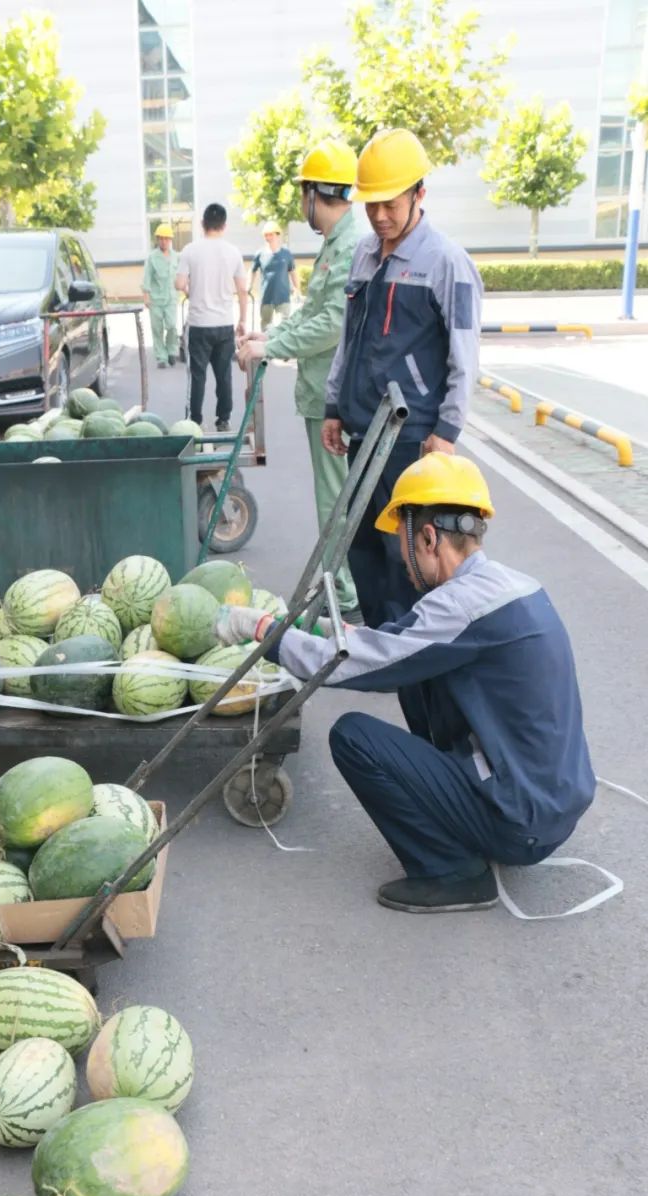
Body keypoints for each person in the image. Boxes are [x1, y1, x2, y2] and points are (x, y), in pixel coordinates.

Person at [215, 453, 595, 914]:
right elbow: (395, 645)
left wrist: (262, 633)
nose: (402, 559)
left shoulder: (460, 606)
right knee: (416, 676)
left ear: (429, 537)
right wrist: (313, 630)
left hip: (522, 819)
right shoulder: (510, 586)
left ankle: (453, 873)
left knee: (355, 736)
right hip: (548, 800)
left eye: (403, 544)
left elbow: (349, 664)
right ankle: (460, 814)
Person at [320, 129, 482, 642]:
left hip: (411, 437)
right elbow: (349, 341)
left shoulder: (445, 261)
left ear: (418, 194)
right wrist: (333, 404)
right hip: (363, 430)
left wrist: (447, 430)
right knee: (361, 540)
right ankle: (382, 637)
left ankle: (416, 642)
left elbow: (465, 354)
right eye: (372, 206)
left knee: (407, 547)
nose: (380, 217)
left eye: (390, 205)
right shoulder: (364, 255)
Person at [237, 138, 363, 624]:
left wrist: (272, 348)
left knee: (335, 501)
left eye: (302, 193)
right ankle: (342, 584)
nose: (301, 204)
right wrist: (268, 334)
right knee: (334, 498)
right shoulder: (336, 243)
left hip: (333, 399)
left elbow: (333, 324)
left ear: (314, 193)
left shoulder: (349, 245)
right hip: (321, 394)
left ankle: (343, 594)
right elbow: (311, 313)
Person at [175, 203, 248, 431]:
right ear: (224, 225)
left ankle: (195, 420)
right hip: (224, 323)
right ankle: (223, 419)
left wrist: (190, 290)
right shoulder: (233, 252)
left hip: (199, 324)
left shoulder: (190, 250)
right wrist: (243, 320)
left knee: (197, 375)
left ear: (202, 224)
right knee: (224, 374)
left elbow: (179, 283)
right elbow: (243, 290)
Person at [142, 222, 180, 369]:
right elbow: (147, 277)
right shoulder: (152, 258)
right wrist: (146, 296)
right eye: (161, 238)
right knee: (157, 328)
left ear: (170, 240)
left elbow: (182, 275)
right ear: (157, 240)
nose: (164, 241)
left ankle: (171, 351)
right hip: (156, 300)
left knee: (171, 326)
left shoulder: (176, 256)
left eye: (166, 238)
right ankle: (161, 357)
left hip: (171, 298)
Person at [249, 223, 298, 330]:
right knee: (266, 326)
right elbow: (252, 271)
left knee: (284, 325)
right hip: (266, 296)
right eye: (266, 235)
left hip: (283, 296)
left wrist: (297, 288)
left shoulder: (286, 254)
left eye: (271, 235)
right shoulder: (260, 254)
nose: (268, 238)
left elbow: (292, 271)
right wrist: (249, 286)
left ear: (278, 235)